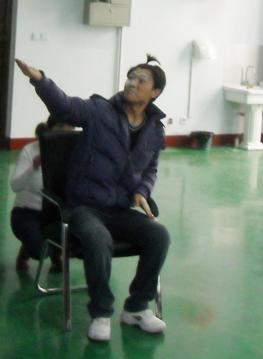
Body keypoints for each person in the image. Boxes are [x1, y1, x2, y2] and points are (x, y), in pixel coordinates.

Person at [15, 54, 170, 342]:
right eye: (130, 77)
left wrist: (142, 191)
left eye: (141, 80)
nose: (132, 83)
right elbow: (66, 106)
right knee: (98, 238)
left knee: (159, 235)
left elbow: (151, 169)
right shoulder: (100, 110)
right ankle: (101, 312)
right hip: (84, 207)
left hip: (120, 209)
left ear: (155, 92)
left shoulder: (154, 130)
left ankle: (136, 307)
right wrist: (40, 80)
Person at [10, 116, 74, 271]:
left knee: (80, 240)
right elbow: (15, 186)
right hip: (27, 211)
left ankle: (55, 249)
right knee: (39, 251)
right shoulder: (30, 150)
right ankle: (34, 248)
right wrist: (33, 166)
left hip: (57, 213)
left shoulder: (72, 152)